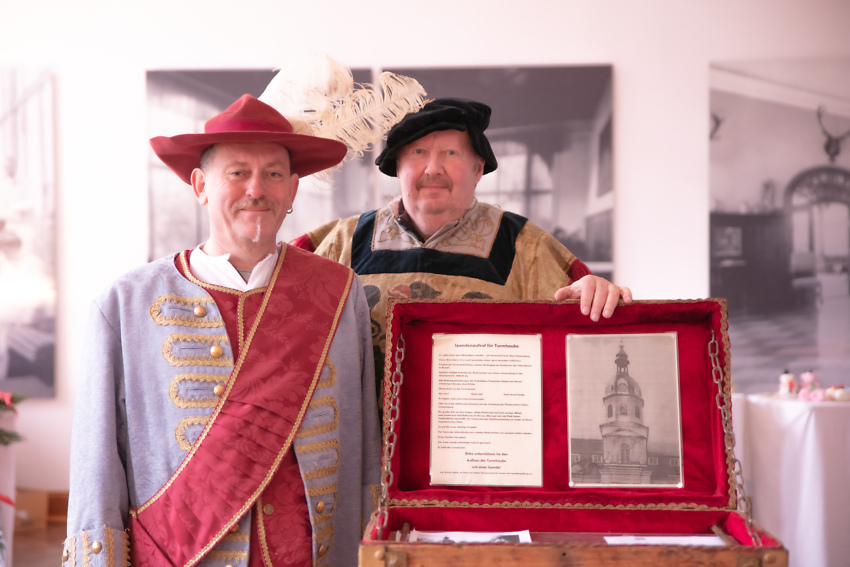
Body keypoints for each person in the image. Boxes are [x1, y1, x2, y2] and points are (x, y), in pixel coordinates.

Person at [63, 95, 381, 567]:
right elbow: (97, 463)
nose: (257, 188)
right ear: (200, 184)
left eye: (274, 173)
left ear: (293, 189)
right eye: (237, 172)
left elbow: (362, 448)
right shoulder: (126, 303)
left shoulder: (339, 293)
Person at [292, 98, 632, 381]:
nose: (432, 168)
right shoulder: (342, 242)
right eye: (418, 152)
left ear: (478, 169)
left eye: (451, 154)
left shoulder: (524, 245)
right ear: (397, 167)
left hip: (483, 452)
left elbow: (578, 347)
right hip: (364, 452)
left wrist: (598, 296)